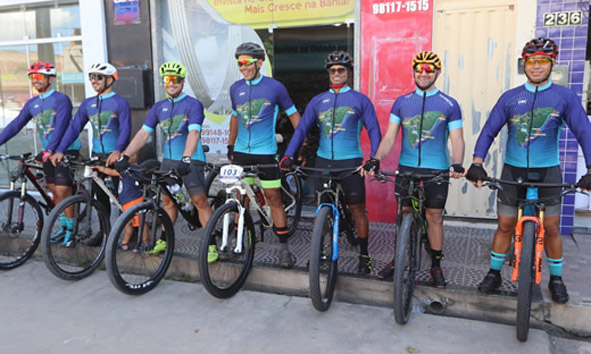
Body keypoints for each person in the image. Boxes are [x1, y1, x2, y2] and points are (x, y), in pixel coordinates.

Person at [465, 37, 591, 303]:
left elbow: (583, 131)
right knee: (505, 226)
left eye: (542, 61)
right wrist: (477, 162)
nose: (536, 66)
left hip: (548, 172)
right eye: (531, 61)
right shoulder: (511, 98)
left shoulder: (564, 97)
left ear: (551, 64)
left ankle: (556, 278)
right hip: (514, 171)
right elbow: (489, 130)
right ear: (525, 64)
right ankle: (494, 272)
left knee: (554, 228)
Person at [361, 51, 465, 288]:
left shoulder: (449, 104)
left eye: (429, 69)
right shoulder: (403, 102)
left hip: (436, 170)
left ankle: (436, 266)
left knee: (434, 216)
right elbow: (389, 137)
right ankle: (398, 260)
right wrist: (376, 159)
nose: (423, 73)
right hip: (406, 169)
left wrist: (457, 163)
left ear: (437, 72)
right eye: (419, 69)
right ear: (414, 72)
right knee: (404, 215)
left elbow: (457, 139)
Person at [280, 50, 382, 274]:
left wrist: (374, 158)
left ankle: (364, 255)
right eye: (333, 70)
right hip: (324, 163)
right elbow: (301, 130)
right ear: (328, 73)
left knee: (357, 209)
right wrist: (288, 154)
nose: (336, 73)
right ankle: (318, 251)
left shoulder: (359, 100)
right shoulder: (318, 101)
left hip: (351, 163)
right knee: (321, 210)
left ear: (348, 73)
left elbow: (374, 130)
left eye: (341, 70)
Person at [114, 61, 213, 258]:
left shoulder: (193, 104)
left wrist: (186, 158)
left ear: (183, 81)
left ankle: (211, 244)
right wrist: (125, 155)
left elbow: (193, 133)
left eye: (175, 79)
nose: (171, 83)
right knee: (168, 202)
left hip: (191, 160)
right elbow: (143, 134)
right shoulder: (159, 107)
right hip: (168, 160)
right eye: (167, 79)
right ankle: (164, 240)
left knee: (200, 201)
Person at [227, 42, 302, 268]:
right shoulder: (235, 88)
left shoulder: (275, 87)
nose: (243, 68)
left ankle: (283, 248)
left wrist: (299, 146)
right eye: (239, 63)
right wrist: (230, 146)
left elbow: (294, 116)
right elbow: (234, 118)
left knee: (274, 199)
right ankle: (241, 242)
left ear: (259, 63)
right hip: (241, 153)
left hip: (266, 153)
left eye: (247, 63)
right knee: (241, 199)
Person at [0, 62, 81, 246]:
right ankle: (63, 226)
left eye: (38, 77)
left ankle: (72, 230)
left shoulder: (61, 100)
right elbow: (15, 125)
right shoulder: (33, 103)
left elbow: (61, 127)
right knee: (54, 191)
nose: (34, 81)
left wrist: (51, 149)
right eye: (32, 77)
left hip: (65, 150)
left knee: (62, 190)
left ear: (49, 78)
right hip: (47, 152)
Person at [50, 62, 132, 218]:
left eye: (98, 77)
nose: (94, 81)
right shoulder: (88, 104)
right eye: (91, 77)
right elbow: (74, 128)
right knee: (100, 197)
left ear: (110, 80)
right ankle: (104, 232)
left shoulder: (120, 103)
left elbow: (125, 130)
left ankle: (133, 230)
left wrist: (117, 150)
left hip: (115, 156)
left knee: (124, 197)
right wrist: (60, 149)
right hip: (96, 156)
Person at [94, 152, 148, 252]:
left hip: (134, 201)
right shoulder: (124, 169)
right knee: (128, 223)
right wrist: (100, 168)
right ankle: (125, 242)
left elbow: (142, 179)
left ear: (134, 156)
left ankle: (145, 243)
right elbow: (112, 172)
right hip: (126, 202)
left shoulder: (136, 169)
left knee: (140, 223)